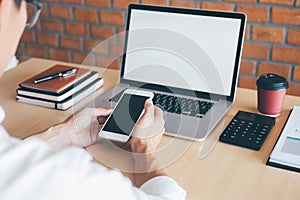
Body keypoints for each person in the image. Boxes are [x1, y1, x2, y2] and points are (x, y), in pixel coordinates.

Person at [0, 0, 186, 199]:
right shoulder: (64, 177)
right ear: (4, 7)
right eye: (29, 6)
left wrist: (67, 134)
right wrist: (143, 148)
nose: (25, 20)